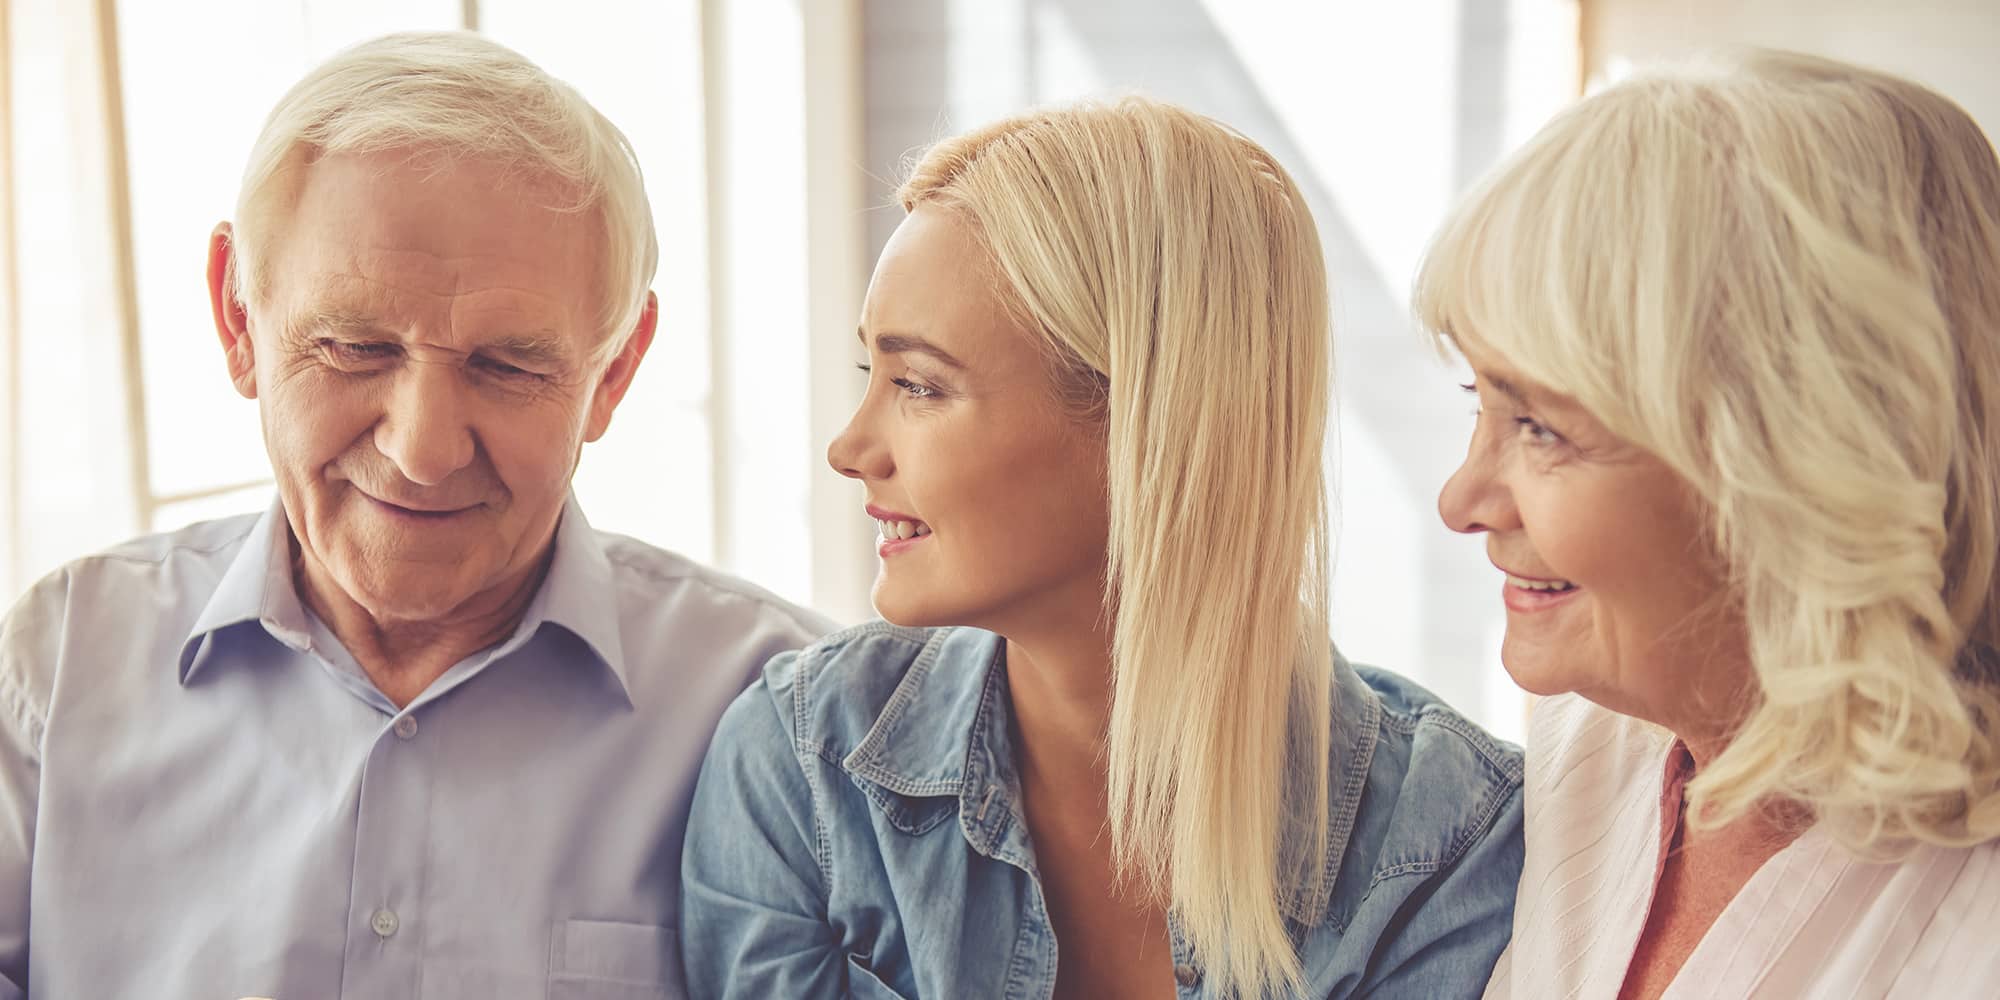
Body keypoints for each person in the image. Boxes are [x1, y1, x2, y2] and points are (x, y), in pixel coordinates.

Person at [0, 31, 829, 999]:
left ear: (615, 370)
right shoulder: (57, 675)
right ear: (238, 322)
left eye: (509, 365)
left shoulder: (783, 720)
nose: (423, 450)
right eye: (354, 346)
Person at [680, 97, 1524, 1000]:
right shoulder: (802, 767)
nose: (850, 449)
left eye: (920, 386)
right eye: (870, 376)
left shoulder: (1448, 837)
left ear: (1148, 427)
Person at [1420, 49, 2000, 998]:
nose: (1460, 499)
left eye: (1540, 428)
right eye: (1476, 403)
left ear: (1803, 458)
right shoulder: (1589, 749)